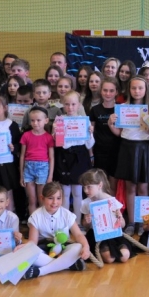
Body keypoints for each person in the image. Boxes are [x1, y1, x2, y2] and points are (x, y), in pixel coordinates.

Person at [110, 76, 149, 235]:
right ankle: (132, 222)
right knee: (130, 187)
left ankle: (142, 222)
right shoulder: (122, 108)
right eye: (133, 88)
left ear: (146, 90)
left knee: (143, 187)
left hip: (144, 148)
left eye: (140, 88)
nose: (137, 91)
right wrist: (111, 124)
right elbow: (119, 133)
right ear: (129, 89)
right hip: (127, 147)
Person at [20, 181, 91, 279]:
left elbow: (78, 235)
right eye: (50, 198)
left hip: (63, 248)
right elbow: (33, 242)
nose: (55, 202)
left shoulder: (66, 214)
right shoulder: (36, 216)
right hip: (45, 250)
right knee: (29, 252)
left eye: (58, 198)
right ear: (42, 198)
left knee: (78, 247)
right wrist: (25, 247)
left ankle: (40, 271)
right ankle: (68, 264)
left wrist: (86, 247)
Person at [54, 91, 94, 220]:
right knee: (65, 193)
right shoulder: (60, 120)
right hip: (64, 157)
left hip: (79, 158)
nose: (70, 107)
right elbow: (58, 143)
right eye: (67, 104)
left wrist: (90, 133)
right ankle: (66, 222)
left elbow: (89, 144)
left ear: (79, 105)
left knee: (77, 192)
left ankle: (78, 222)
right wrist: (56, 132)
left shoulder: (85, 121)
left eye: (73, 104)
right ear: (62, 104)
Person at [80, 168, 133, 264]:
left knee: (124, 256)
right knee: (109, 258)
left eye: (89, 187)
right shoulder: (86, 203)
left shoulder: (111, 201)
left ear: (100, 185)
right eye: (84, 187)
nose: (85, 190)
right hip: (96, 235)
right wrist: (86, 221)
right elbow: (85, 225)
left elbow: (123, 225)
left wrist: (120, 219)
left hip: (113, 234)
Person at [90, 76, 122, 196]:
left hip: (117, 151)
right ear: (101, 91)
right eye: (105, 90)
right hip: (99, 152)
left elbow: (123, 132)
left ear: (116, 92)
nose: (108, 94)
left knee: (113, 185)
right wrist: (91, 153)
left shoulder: (121, 109)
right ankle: (101, 207)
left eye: (111, 91)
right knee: (100, 184)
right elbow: (91, 133)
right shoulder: (95, 110)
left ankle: (112, 207)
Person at [19, 107, 55, 215]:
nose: (35, 123)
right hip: (28, 168)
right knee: (32, 200)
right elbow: (22, 156)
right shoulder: (26, 135)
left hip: (43, 168)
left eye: (38, 120)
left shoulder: (48, 137)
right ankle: (33, 222)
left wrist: (50, 176)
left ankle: (42, 221)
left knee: (41, 200)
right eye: (32, 120)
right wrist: (21, 175)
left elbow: (51, 157)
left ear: (46, 120)